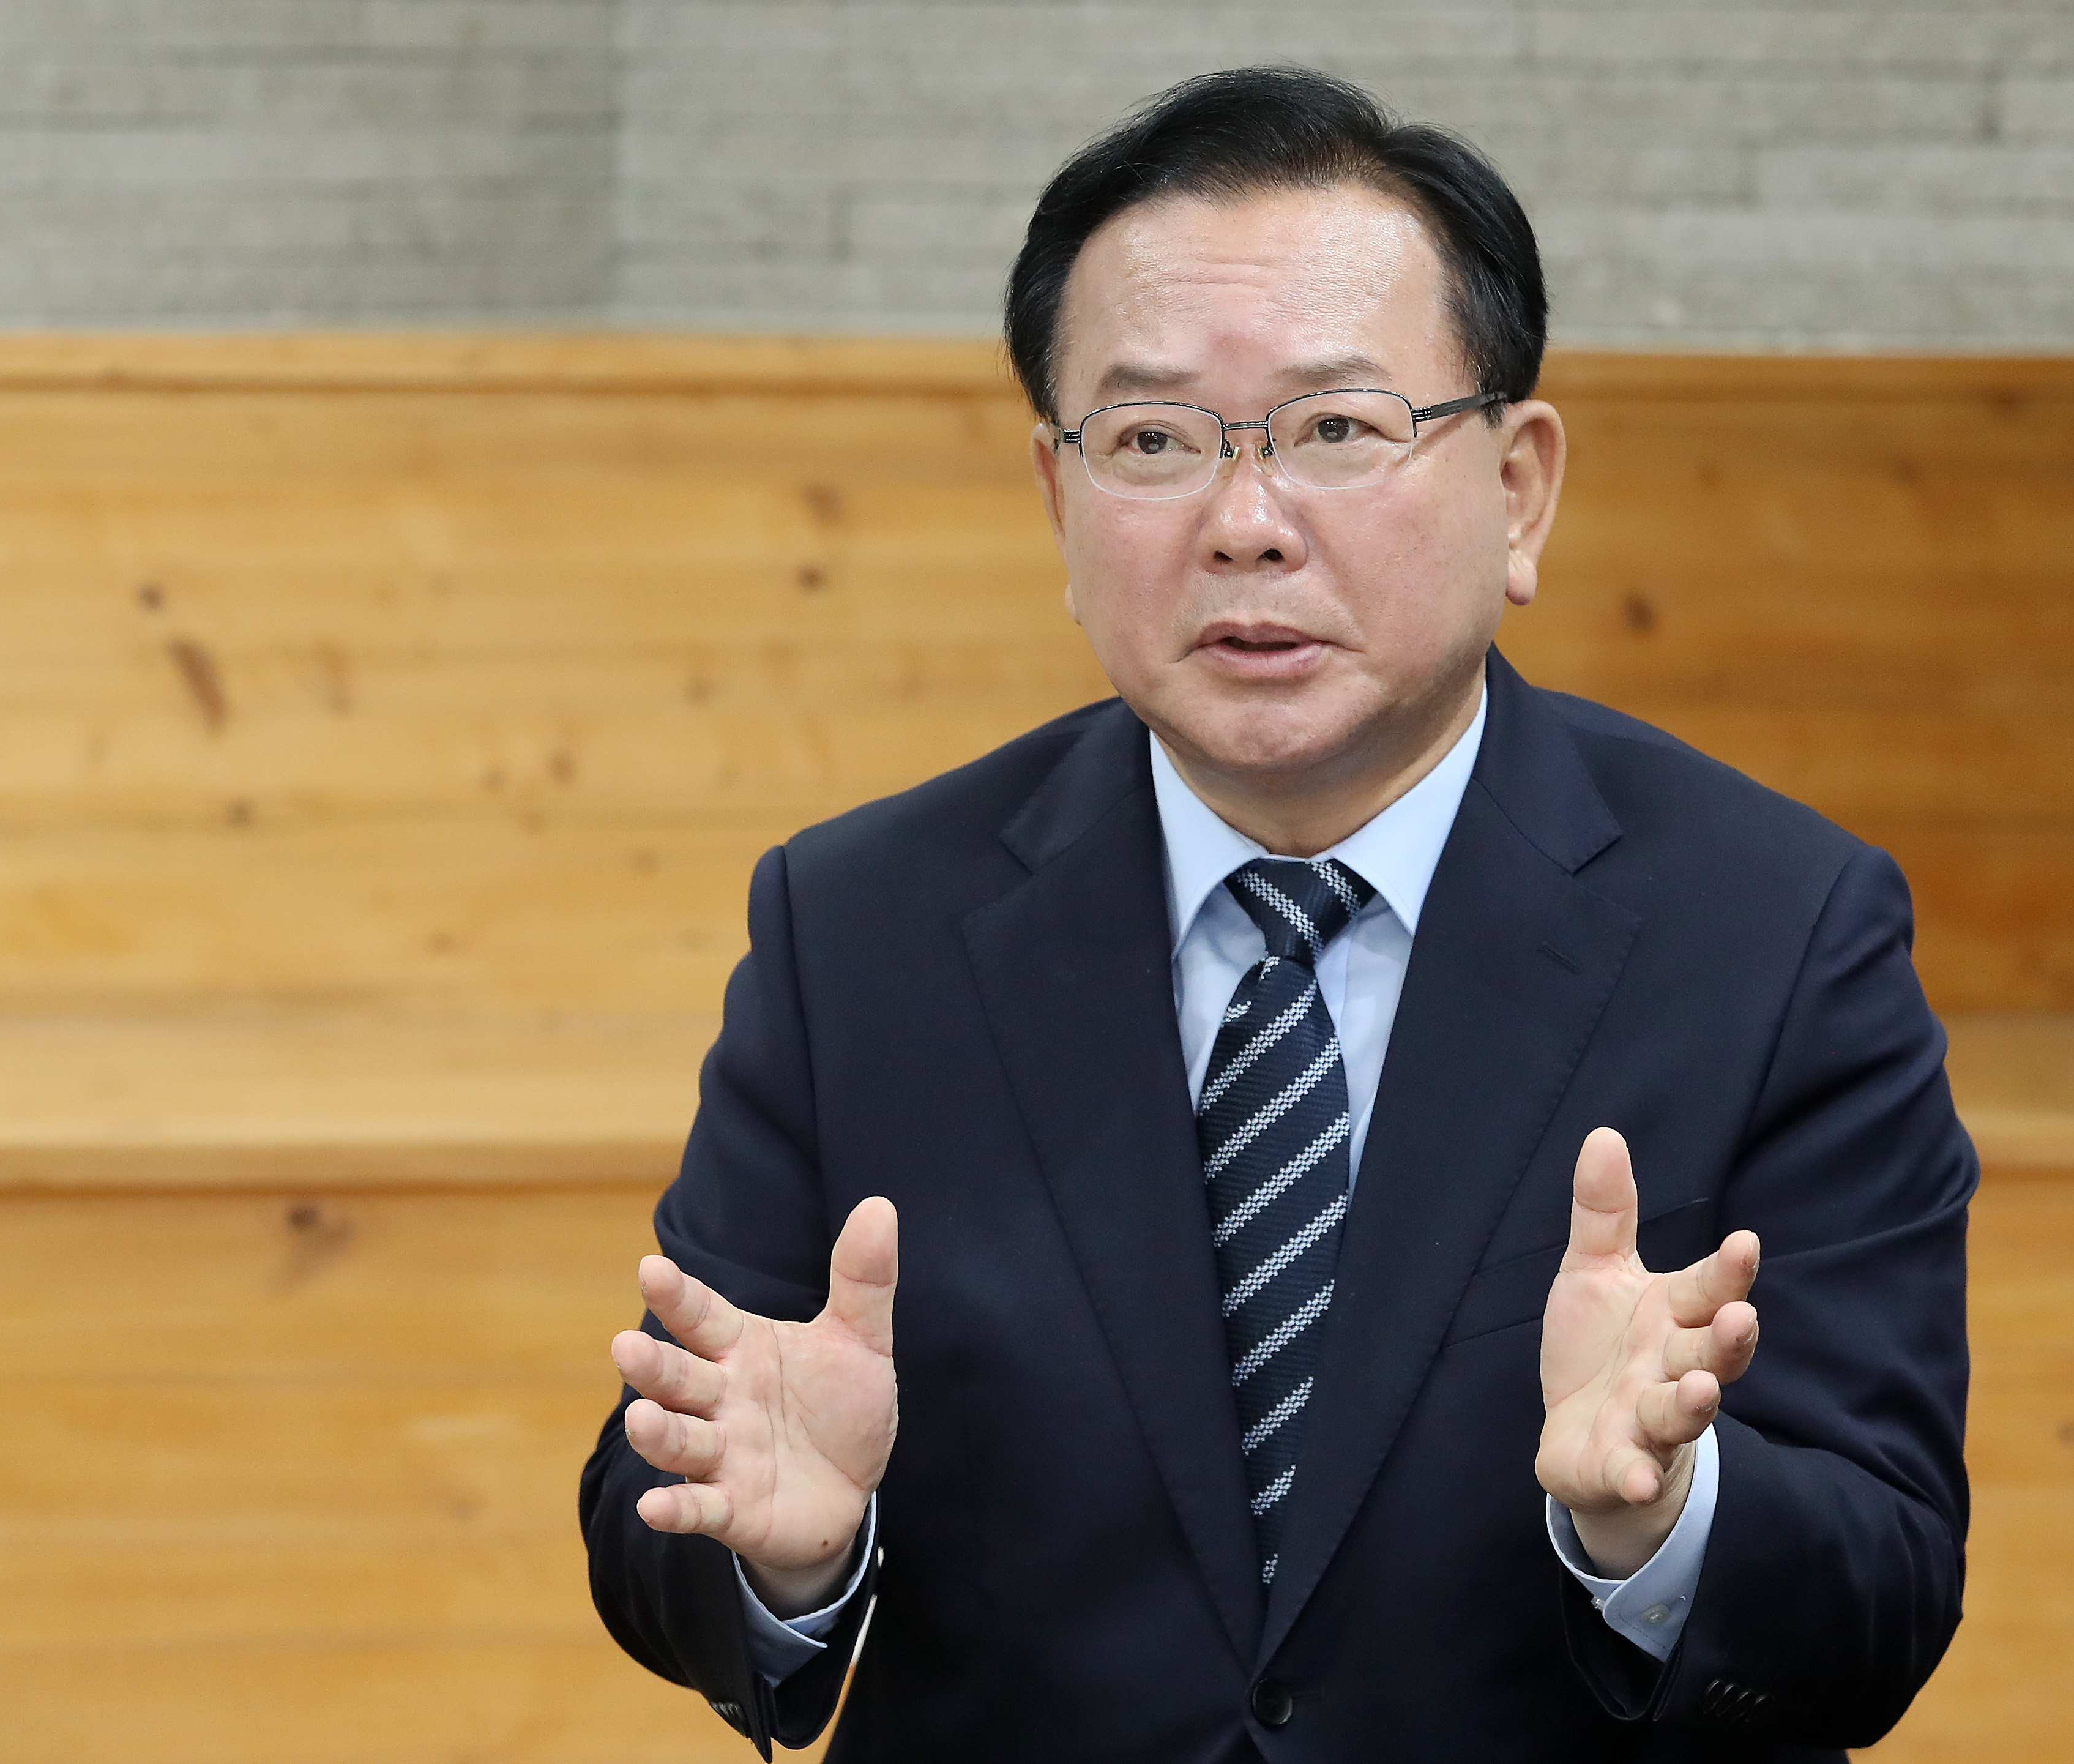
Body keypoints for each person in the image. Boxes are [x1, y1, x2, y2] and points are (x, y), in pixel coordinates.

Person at [580, 68, 1971, 1762]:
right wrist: (786, 1555)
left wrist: (1661, 1522)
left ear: (1519, 488)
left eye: (1336, 430)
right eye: (1153, 442)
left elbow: (1888, 1582)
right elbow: (669, 1486)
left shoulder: (1777, 928)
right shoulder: (856, 926)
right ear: (1059, 503)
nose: (1245, 525)